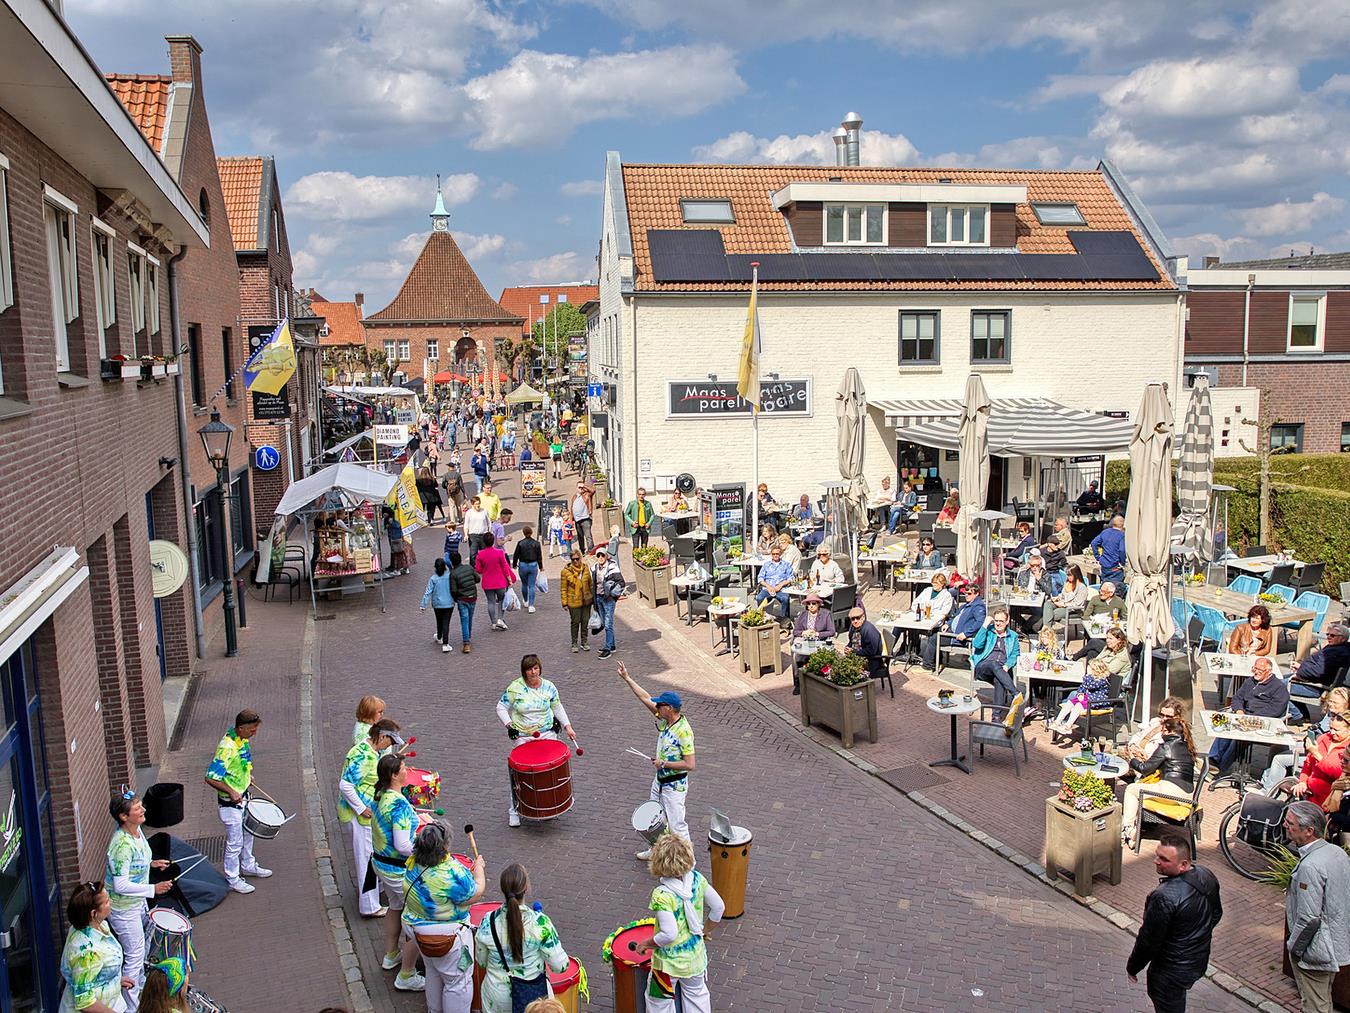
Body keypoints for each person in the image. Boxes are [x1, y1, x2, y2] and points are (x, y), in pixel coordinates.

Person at [1125, 830, 1222, 1013]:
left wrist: (1133, 967)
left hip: (1170, 971)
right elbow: (1216, 913)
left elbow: (1149, 940)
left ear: (1183, 864)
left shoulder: (1164, 897)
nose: (1156, 861)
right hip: (1196, 961)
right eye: (1157, 855)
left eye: (1164, 859)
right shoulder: (1206, 875)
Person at [636, 833, 725, 1013]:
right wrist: (704, 930)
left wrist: (646, 943)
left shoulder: (662, 894)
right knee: (697, 998)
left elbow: (669, 934)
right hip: (695, 959)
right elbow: (719, 908)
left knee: (658, 1004)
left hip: (667, 966)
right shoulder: (698, 880)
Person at [402, 821, 486, 1013]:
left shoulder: (413, 862)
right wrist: (478, 869)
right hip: (446, 936)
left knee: (433, 971)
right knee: (457, 982)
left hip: (414, 927)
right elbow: (475, 893)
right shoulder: (451, 871)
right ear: (445, 846)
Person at [616, 664, 694, 856]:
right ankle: (657, 850)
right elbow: (645, 697)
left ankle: (688, 862)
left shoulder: (684, 731)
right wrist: (628, 678)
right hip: (659, 781)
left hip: (674, 787)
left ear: (669, 708)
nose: (656, 707)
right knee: (655, 818)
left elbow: (690, 764)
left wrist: (664, 764)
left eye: (660, 705)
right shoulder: (665, 719)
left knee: (677, 825)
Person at [104, 790, 171, 1006]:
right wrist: (153, 889)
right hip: (124, 909)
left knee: (141, 949)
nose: (143, 810)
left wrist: (152, 864)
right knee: (134, 955)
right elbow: (120, 884)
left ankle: (141, 992)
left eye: (141, 805)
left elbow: (136, 862)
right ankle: (132, 1006)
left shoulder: (137, 831)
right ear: (124, 817)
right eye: (137, 808)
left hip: (136, 903)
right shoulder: (121, 846)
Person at [475, 864, 571, 1013]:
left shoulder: (488, 921)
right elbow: (560, 966)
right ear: (526, 887)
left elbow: (481, 961)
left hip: (497, 997)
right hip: (533, 999)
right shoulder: (540, 923)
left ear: (503, 889)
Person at [370, 754, 430, 992]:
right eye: (404, 768)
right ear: (394, 775)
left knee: (395, 908)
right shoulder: (400, 804)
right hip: (398, 871)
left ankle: (391, 954)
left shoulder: (379, 796)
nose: (408, 771)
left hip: (381, 865)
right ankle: (407, 974)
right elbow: (403, 845)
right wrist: (427, 845)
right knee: (416, 920)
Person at [1283, 801, 1350, 1013]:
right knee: (1323, 999)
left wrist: (1294, 947)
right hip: (1337, 944)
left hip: (1315, 951)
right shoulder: (1337, 853)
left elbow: (1308, 918)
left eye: (1290, 822)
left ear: (1309, 830)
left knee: (1314, 1005)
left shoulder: (1311, 866)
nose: (1285, 825)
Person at [498, 654, 577, 827]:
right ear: (524, 672)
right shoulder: (515, 688)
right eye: (529, 669)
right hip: (523, 736)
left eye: (536, 668)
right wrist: (510, 725)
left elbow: (557, 705)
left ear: (540, 668)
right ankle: (514, 810)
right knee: (519, 774)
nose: (533, 673)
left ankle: (546, 804)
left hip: (547, 733)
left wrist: (567, 726)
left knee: (547, 772)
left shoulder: (549, 686)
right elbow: (501, 707)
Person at [340, 718, 403, 917]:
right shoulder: (362, 756)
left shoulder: (371, 751)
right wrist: (360, 808)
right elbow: (345, 785)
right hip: (359, 817)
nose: (391, 746)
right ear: (382, 736)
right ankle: (369, 906)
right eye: (390, 741)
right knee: (366, 860)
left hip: (366, 814)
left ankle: (375, 891)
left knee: (371, 856)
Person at [204, 709, 271, 894]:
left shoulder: (241, 740)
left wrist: (247, 775)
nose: (254, 733)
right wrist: (231, 791)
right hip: (230, 804)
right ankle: (232, 878)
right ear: (241, 728)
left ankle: (248, 865)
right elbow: (211, 777)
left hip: (243, 797)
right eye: (252, 729)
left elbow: (241, 764)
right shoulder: (227, 747)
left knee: (248, 834)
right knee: (235, 842)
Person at [1123, 712, 1197, 850]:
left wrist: (1131, 759)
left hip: (1172, 791)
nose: (1161, 733)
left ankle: (1128, 829)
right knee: (1141, 788)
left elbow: (1144, 769)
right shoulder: (1187, 745)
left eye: (1163, 730)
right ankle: (1134, 827)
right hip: (1187, 794)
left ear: (1169, 731)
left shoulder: (1166, 746)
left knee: (1132, 789)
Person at [1207, 656, 1290, 775]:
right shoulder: (1250, 681)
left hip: (1262, 720)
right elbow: (1237, 697)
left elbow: (1275, 710)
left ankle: (1220, 769)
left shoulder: (1278, 688)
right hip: (1243, 715)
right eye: (1254, 668)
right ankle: (1213, 760)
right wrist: (1239, 710)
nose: (1256, 672)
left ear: (1269, 671)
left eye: (1260, 670)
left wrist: (1252, 717)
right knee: (1225, 726)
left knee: (1239, 738)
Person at [59, 881, 131, 1013]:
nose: (111, 903)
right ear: (93, 913)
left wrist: (114, 980)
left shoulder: (100, 925)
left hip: (112, 1003)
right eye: (107, 902)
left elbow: (93, 975)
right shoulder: (86, 952)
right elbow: (84, 1002)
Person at [1265, 687, 1350, 791]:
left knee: (1279, 759)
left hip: (1318, 751)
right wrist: (1303, 737)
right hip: (1312, 744)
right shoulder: (1330, 715)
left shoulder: (1343, 724)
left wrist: (1314, 751)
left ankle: (1268, 790)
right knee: (1277, 746)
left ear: (1346, 704)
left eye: (1335, 703)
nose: (1331, 704)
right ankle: (1266, 780)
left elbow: (1335, 768)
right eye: (1330, 701)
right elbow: (1318, 731)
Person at [920, 581, 986, 670]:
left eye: (969, 594)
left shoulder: (978, 607)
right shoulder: (967, 605)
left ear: (977, 594)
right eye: (965, 593)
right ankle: (937, 662)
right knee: (933, 634)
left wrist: (966, 634)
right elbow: (955, 617)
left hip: (958, 637)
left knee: (933, 639)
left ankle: (927, 666)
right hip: (953, 631)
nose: (966, 595)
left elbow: (980, 622)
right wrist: (948, 624)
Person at [1293, 711, 1350, 806]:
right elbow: (1308, 764)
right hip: (1309, 795)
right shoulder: (1324, 738)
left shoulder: (1348, 748)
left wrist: (1317, 755)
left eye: (1336, 730)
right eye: (1330, 728)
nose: (1332, 732)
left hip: (1329, 801)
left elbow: (1339, 773)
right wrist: (1302, 782)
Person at [1049, 659, 1112, 743]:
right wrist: (1080, 694)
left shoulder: (1102, 680)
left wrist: (1088, 675)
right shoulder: (1090, 678)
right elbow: (1082, 687)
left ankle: (1068, 726)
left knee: (1078, 706)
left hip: (1095, 701)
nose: (1087, 669)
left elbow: (1091, 686)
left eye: (1090, 668)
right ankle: (1057, 722)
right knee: (1069, 702)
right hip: (1087, 698)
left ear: (1096, 670)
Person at [972, 609, 1021, 714]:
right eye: (996, 621)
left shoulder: (1013, 636)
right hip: (984, 667)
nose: (998, 623)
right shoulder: (988, 631)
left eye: (1001, 621)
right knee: (994, 664)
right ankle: (1015, 693)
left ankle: (996, 718)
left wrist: (1008, 665)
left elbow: (1015, 654)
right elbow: (976, 644)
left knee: (999, 681)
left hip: (1001, 670)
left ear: (1007, 621)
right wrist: (985, 625)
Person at [1073, 581, 1128, 659]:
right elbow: (1086, 616)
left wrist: (1116, 623)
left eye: (1103, 591)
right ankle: (1090, 668)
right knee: (1092, 652)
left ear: (1111, 593)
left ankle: (1075, 657)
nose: (1101, 593)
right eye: (1100, 590)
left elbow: (1125, 617)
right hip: (1096, 630)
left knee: (1093, 646)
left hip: (1111, 633)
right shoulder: (1095, 599)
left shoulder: (1119, 602)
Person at [474, 532, 517, 632]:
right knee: (501, 600)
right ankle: (500, 619)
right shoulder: (499, 553)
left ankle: (493, 622)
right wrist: (509, 579)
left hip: (487, 582)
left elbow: (478, 570)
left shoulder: (480, 554)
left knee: (491, 602)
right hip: (500, 582)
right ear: (493, 541)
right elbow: (505, 567)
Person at [592, 546, 626, 658]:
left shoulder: (612, 567)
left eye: (602, 555)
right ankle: (612, 645)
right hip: (598, 598)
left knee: (608, 624)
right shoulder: (594, 568)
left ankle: (607, 649)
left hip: (608, 599)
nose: (601, 557)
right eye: (599, 555)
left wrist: (612, 594)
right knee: (604, 622)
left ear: (606, 556)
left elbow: (621, 583)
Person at [560, 548, 594, 652]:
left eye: (577, 559)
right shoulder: (566, 572)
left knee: (585, 621)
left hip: (586, 600)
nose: (575, 561)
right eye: (573, 559)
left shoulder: (586, 568)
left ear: (581, 558)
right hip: (573, 601)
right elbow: (563, 588)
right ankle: (574, 642)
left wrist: (593, 597)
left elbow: (590, 583)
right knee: (575, 622)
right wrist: (564, 603)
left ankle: (584, 641)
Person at [447, 550, 480, 654]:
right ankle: (468, 636)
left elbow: (453, 590)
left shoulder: (453, 573)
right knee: (470, 618)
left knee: (464, 620)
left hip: (462, 598)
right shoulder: (469, 568)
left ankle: (466, 643)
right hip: (472, 597)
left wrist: (456, 598)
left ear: (452, 562)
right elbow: (477, 579)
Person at [1041, 564, 1089, 632]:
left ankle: (1046, 631)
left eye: (1069, 575)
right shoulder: (1068, 583)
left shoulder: (1082, 587)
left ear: (1076, 575)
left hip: (1072, 609)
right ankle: (1047, 631)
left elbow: (1078, 604)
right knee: (1047, 604)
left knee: (1050, 614)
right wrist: (1057, 598)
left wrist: (1064, 604)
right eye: (1067, 575)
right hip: (1062, 604)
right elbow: (1063, 595)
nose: (1068, 577)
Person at [422, 558, 456, 652]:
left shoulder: (433, 578)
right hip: (449, 603)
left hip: (437, 603)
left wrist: (423, 604)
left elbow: (428, 592)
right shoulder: (449, 576)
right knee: (446, 622)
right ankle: (445, 643)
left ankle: (440, 637)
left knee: (439, 620)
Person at [844, 607, 887, 681]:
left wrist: (854, 652)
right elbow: (851, 642)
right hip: (858, 656)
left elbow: (871, 651)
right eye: (852, 619)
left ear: (863, 617)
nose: (855, 621)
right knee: (840, 665)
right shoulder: (853, 627)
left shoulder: (869, 631)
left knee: (848, 672)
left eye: (857, 618)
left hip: (872, 661)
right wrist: (847, 647)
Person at [754, 544, 795, 618]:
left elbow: (791, 578)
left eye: (777, 554)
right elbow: (760, 578)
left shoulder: (786, 565)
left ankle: (784, 619)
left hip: (781, 589)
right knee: (759, 598)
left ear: (781, 554)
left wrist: (781, 585)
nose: (775, 555)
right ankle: (762, 617)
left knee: (785, 599)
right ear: (771, 554)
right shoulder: (766, 565)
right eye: (773, 554)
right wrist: (768, 586)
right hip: (767, 589)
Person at [512, 526, 543, 614]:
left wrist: (514, 565)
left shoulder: (520, 543)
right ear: (531, 532)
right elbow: (539, 556)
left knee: (524, 584)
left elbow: (516, 555)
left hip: (523, 565)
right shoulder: (536, 543)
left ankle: (525, 600)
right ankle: (531, 605)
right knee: (532, 585)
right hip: (533, 565)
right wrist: (541, 567)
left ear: (523, 533)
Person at [1089, 515, 1127, 588]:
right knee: (1116, 588)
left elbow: (1094, 543)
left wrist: (1098, 557)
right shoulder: (1121, 535)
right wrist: (1122, 563)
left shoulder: (1105, 532)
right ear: (1123, 525)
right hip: (1115, 567)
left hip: (1104, 566)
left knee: (1104, 586)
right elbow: (1122, 550)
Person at [383, 505, 412, 575]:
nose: (383, 515)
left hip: (396, 538)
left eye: (384, 513)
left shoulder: (393, 519)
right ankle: (405, 568)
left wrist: (390, 523)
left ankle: (398, 569)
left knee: (398, 554)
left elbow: (397, 525)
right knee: (403, 553)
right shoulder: (396, 516)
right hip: (401, 537)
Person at [464, 496, 490, 563]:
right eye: (476, 504)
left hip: (483, 535)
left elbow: (489, 523)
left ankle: (484, 568)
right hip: (473, 536)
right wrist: (466, 535)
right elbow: (466, 525)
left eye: (478, 503)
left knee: (484, 554)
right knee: (473, 554)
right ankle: (473, 569)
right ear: (472, 504)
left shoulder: (484, 511)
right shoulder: (469, 513)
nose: (477, 505)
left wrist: (490, 532)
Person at [572, 483, 594, 554]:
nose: (581, 489)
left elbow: (593, 491)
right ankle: (582, 550)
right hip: (577, 520)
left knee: (588, 535)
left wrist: (584, 486)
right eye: (579, 487)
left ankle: (591, 550)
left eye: (582, 488)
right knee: (580, 536)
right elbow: (572, 507)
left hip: (585, 518)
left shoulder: (587, 494)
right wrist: (571, 519)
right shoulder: (574, 497)